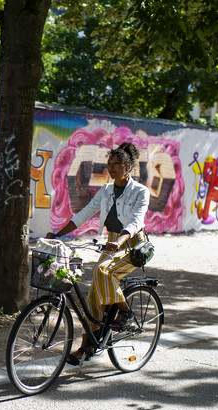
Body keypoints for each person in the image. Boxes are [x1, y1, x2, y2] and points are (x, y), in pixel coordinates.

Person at [45, 141, 150, 366]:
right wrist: (58, 234)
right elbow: (83, 214)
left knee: (102, 271)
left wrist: (120, 240)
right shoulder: (106, 190)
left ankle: (125, 311)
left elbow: (135, 220)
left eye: (117, 163)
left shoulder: (141, 191)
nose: (111, 168)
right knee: (94, 296)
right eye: (109, 163)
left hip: (132, 244)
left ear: (128, 166)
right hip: (112, 242)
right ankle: (88, 345)